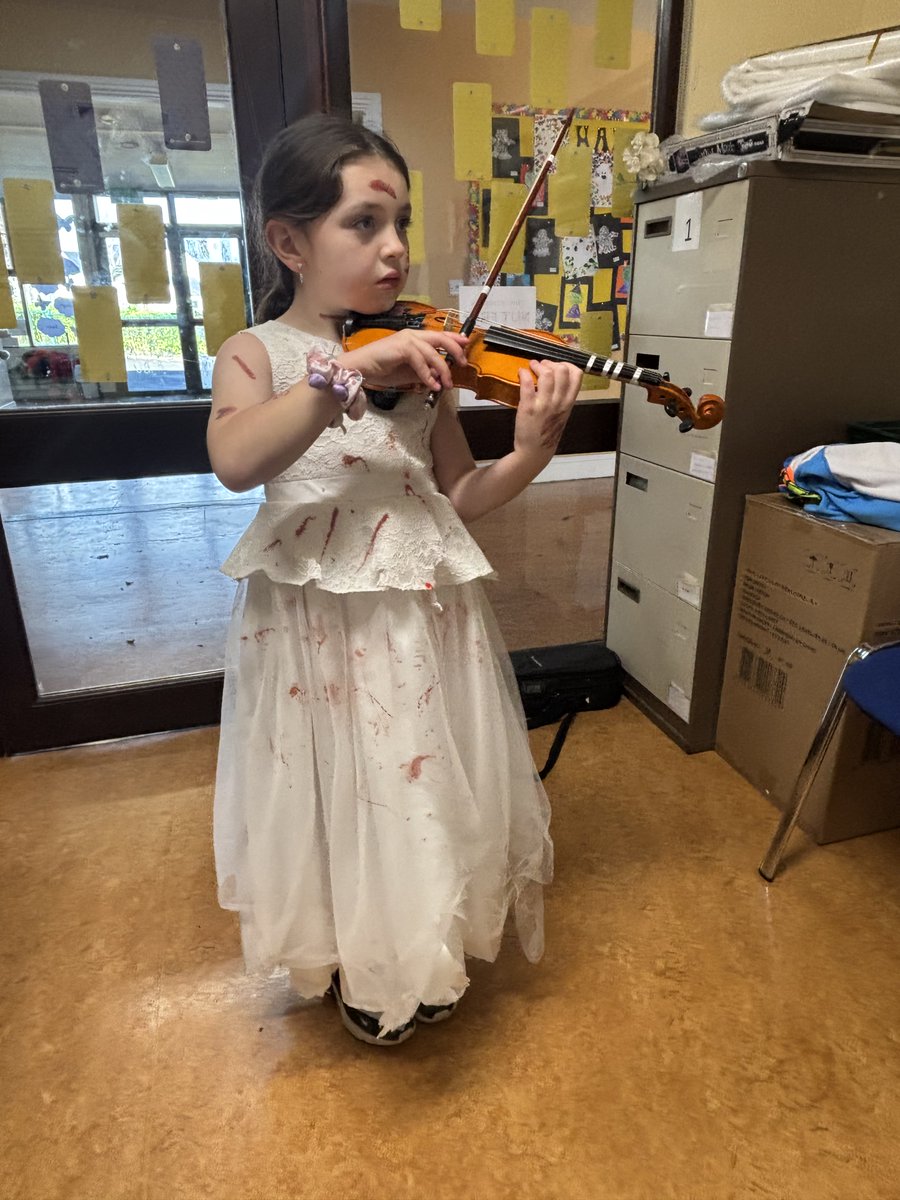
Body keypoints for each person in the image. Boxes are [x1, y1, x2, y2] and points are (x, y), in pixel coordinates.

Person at [208, 113, 583, 1046]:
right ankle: (345, 946)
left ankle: (409, 952)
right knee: (329, 779)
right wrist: (342, 372)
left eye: (401, 223)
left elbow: (455, 489)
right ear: (288, 242)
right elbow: (237, 460)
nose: (394, 249)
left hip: (417, 612)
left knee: (410, 778)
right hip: (314, 617)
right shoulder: (258, 353)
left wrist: (530, 455)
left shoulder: (422, 357)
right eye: (363, 223)